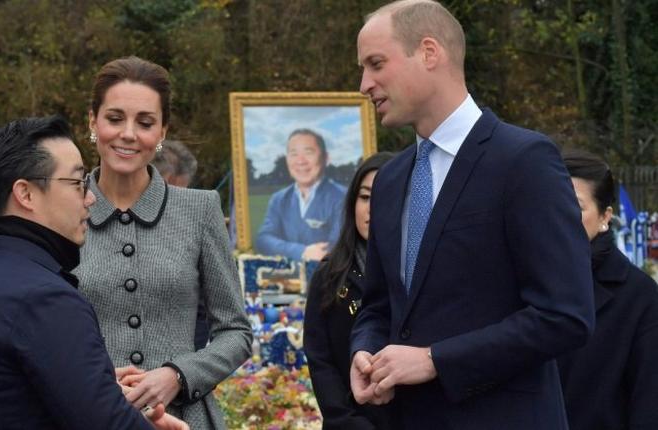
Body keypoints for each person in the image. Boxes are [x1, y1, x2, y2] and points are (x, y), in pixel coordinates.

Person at [349, 2, 595, 429]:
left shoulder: (523, 161)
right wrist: (365, 351)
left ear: (429, 52)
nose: (364, 84)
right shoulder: (389, 180)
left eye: (376, 64)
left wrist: (435, 360)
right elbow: (378, 306)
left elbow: (565, 315)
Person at [0, 116, 186, 430]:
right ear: (25, 194)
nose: (90, 198)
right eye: (78, 183)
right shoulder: (42, 297)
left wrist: (97, 386)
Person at [74, 56, 251, 429]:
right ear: (93, 120)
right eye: (115, 118)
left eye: (145, 122)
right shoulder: (62, 210)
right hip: (87, 416)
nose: (128, 134)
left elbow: (235, 332)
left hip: (184, 418)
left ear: (163, 131)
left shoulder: (199, 210)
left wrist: (177, 375)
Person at [557, 148, 658, 429]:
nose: (559, 214)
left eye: (574, 205)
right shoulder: (515, 279)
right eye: (551, 201)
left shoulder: (639, 297)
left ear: (605, 217)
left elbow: (649, 404)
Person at [304, 152, 394, 429]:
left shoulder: (423, 273)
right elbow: (321, 360)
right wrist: (348, 422)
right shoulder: (330, 274)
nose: (371, 209)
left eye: (385, 197)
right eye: (365, 197)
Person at [151, 139, 208, 351]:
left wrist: (188, 373)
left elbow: (202, 313)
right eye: (171, 191)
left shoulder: (193, 228)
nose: (174, 203)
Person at [255, 129, 347, 261]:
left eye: (308, 152)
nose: (301, 161)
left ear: (326, 158)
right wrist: (302, 252)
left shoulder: (343, 197)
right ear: (287, 159)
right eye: (294, 154)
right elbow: (264, 240)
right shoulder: (279, 199)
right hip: (286, 279)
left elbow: (337, 246)